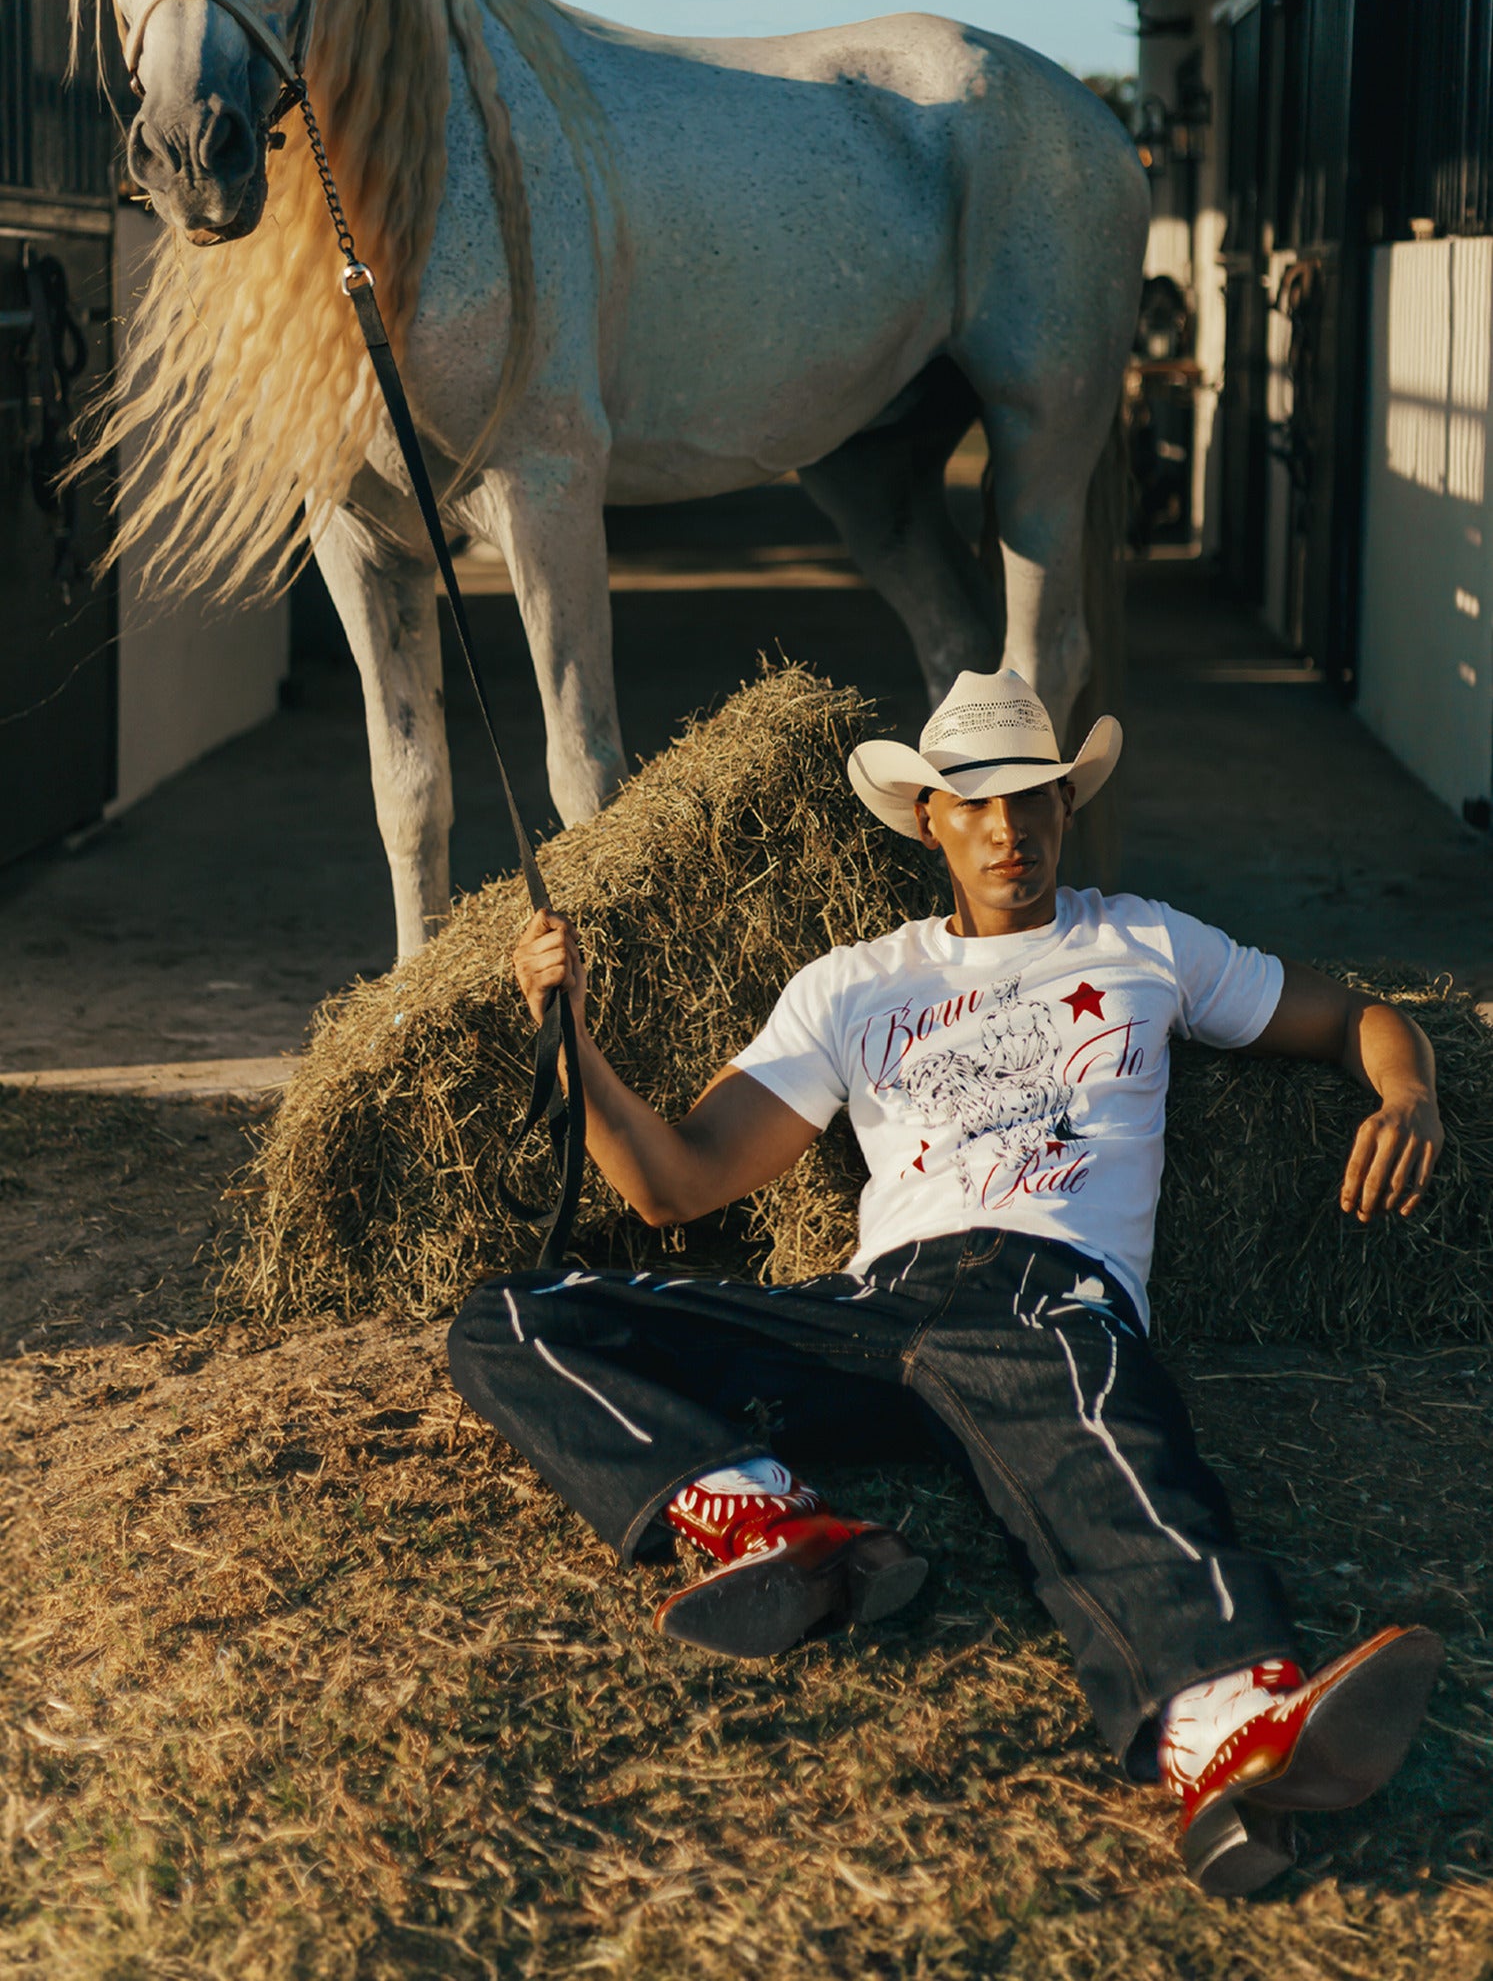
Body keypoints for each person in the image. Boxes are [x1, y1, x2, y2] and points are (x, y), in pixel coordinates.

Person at [448, 668, 1445, 1897]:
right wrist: (569, 1027)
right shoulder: (851, 984)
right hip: (872, 1308)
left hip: (1044, 1288)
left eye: (1033, 799)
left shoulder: (1142, 939)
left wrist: (1407, 1091)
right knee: (515, 1313)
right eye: (973, 804)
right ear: (927, 818)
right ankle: (760, 1514)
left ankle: (1219, 1719)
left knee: (1104, 1442)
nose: (1007, 828)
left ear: (1064, 806)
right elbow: (677, 1183)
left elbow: (1357, 1016)